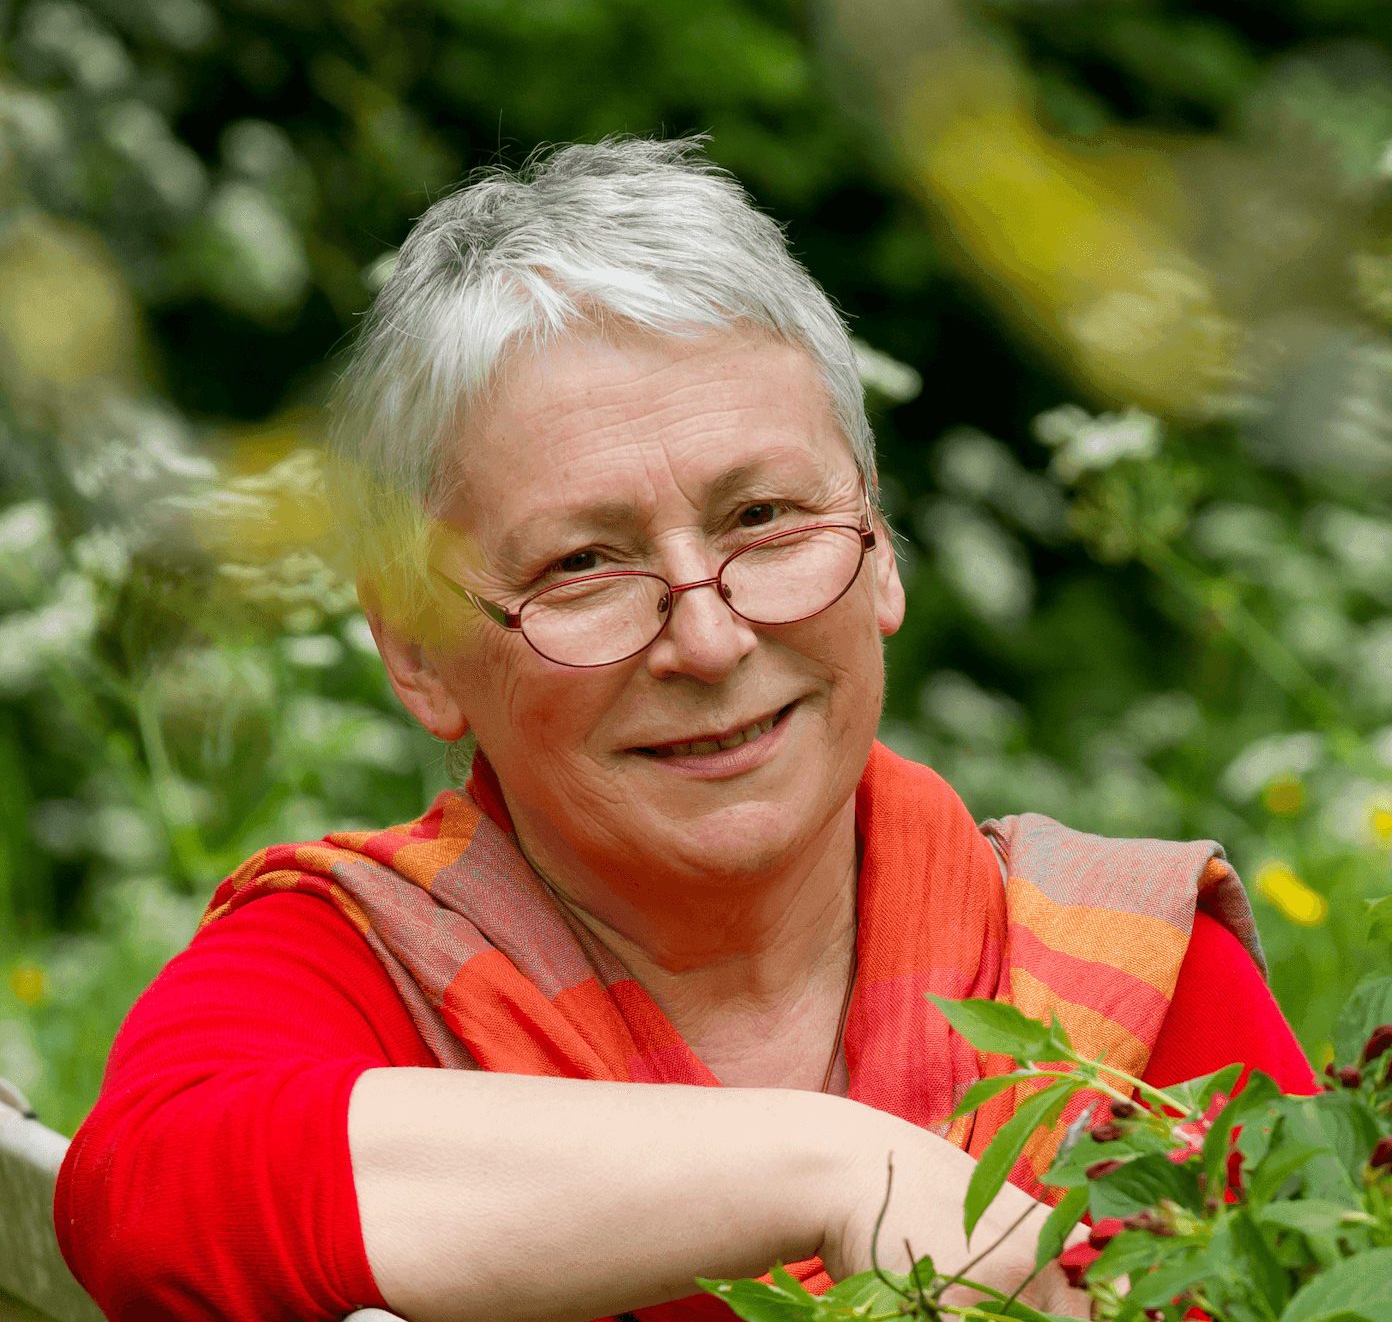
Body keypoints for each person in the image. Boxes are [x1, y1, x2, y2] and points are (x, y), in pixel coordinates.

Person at [56, 138, 1314, 1322]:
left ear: (879, 548)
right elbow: (151, 1193)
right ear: (418, 654)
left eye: (764, 519)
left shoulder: (1137, 986)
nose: (708, 641)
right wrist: (831, 1172)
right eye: (583, 565)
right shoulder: (354, 974)